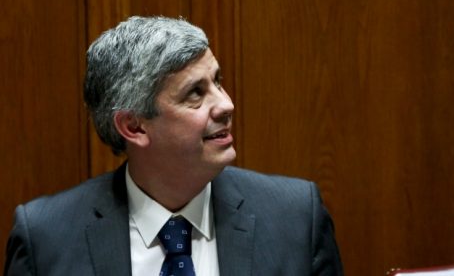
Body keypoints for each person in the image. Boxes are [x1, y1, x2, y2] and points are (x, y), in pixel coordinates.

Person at [4, 16, 343, 275]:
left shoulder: (296, 218)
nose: (226, 105)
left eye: (217, 81)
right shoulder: (46, 238)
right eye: (195, 93)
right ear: (134, 126)